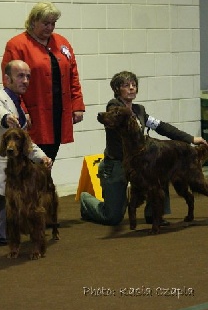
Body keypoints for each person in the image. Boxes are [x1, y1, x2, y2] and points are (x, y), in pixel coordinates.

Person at [80, 70, 208, 226]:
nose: (132, 88)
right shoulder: (114, 108)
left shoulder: (139, 110)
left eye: (134, 85)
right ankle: (86, 201)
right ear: (117, 89)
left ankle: (154, 215)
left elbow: (161, 127)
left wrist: (191, 138)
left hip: (138, 163)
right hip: (116, 165)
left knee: (161, 165)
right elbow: (120, 115)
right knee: (112, 217)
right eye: (126, 85)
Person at [1, 1, 85, 161]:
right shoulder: (17, 45)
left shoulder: (61, 42)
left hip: (58, 113)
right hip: (33, 114)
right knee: (30, 162)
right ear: (33, 21)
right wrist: (21, 110)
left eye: (53, 23)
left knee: (47, 160)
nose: (50, 27)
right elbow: (9, 83)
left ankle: (43, 184)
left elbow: (73, 75)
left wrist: (77, 105)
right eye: (46, 23)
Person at [0, 60, 52, 246]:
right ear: (7, 78)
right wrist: (6, 118)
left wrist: (43, 157)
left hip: (11, 180)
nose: (26, 80)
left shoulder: (19, 106)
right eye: (20, 76)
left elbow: (26, 142)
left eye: (28, 76)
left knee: (5, 238)